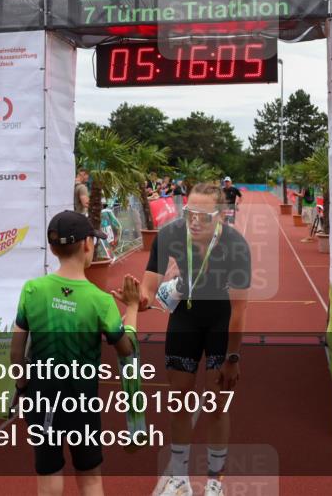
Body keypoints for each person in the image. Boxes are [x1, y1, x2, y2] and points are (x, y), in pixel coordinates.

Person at [115, 182, 251, 496]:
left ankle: (215, 482)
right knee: (179, 402)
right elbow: (149, 286)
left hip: (221, 321)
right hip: (185, 319)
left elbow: (240, 309)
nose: (194, 220)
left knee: (218, 406)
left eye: (204, 216)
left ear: (220, 215)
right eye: (190, 212)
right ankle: (180, 479)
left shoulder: (236, 245)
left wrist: (233, 357)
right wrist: (139, 299)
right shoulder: (170, 235)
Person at [10, 210, 140, 496]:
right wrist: (131, 308)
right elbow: (126, 349)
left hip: (41, 397)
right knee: (90, 475)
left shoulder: (32, 289)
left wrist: (22, 386)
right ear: (87, 245)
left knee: (49, 471)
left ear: (53, 248)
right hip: (81, 401)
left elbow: (16, 349)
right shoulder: (100, 301)